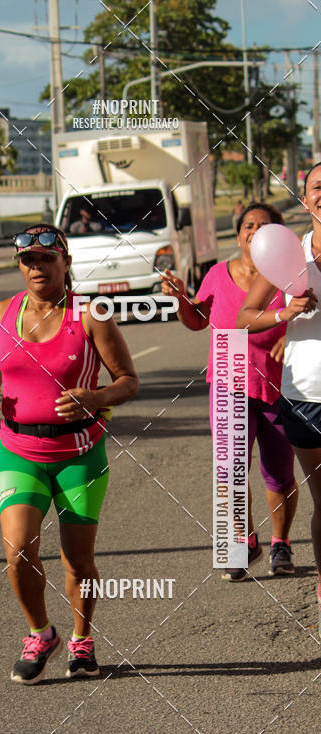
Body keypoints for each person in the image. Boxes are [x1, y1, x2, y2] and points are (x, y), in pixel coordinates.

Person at [0, 223, 139, 684]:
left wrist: (93, 397)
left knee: (77, 561)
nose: (37, 267)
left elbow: (128, 379)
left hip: (79, 455)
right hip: (19, 450)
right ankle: (39, 633)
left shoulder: (91, 314)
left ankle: (81, 640)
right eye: (28, 260)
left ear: (65, 262)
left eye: (47, 259)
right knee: (17, 550)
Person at [161, 202, 299, 581]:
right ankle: (241, 542)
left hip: (279, 382)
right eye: (248, 226)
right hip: (228, 380)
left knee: (279, 473)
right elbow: (197, 320)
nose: (255, 232)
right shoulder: (218, 274)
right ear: (238, 235)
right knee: (230, 471)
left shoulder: (292, 275)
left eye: (264, 226)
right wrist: (179, 300)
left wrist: (291, 336)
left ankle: (280, 543)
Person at [237, 165, 321, 614]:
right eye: (317, 188)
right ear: (305, 200)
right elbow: (244, 317)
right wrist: (284, 315)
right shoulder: (289, 252)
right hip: (305, 398)